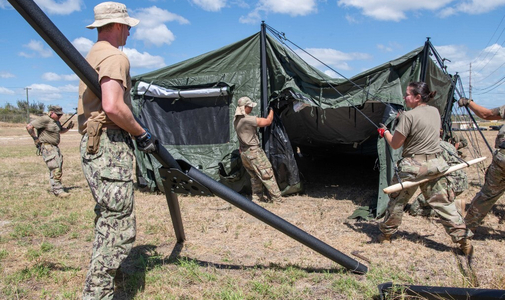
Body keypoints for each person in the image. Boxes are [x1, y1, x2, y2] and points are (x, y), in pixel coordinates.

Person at [77, 2, 155, 299]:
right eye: (129, 27)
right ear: (118, 26)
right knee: (120, 226)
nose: (130, 33)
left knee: (107, 217)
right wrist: (142, 133)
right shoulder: (114, 57)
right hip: (109, 143)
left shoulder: (93, 54)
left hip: (95, 143)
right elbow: (112, 106)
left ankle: (106, 278)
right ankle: (97, 293)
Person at [377, 81, 473, 255]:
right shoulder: (434, 111)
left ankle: (386, 235)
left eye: (407, 94)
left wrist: (385, 133)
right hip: (435, 165)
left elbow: (396, 144)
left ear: (417, 97)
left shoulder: (408, 116)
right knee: (444, 204)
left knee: (397, 202)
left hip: (413, 168)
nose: (405, 97)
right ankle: (463, 240)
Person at [458, 97, 505, 233]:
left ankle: (465, 231)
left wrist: (469, 103)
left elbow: (486, 114)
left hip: (502, 157)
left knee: (487, 196)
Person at [233, 96, 283, 203]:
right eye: (250, 107)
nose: (251, 109)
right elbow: (268, 121)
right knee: (267, 173)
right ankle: (277, 199)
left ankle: (257, 198)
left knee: (254, 176)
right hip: (253, 152)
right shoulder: (247, 120)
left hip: (244, 153)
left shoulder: (236, 120)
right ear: (245, 107)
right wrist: (272, 110)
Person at [408, 140, 468, 217]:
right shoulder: (447, 145)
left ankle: (456, 208)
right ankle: (449, 205)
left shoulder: (431, 148)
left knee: (414, 210)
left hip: (448, 183)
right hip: (461, 181)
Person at [26, 105, 73, 198]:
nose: (60, 117)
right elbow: (29, 126)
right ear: (51, 113)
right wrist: (35, 138)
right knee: (55, 167)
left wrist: (67, 128)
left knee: (57, 166)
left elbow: (59, 131)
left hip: (55, 147)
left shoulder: (56, 122)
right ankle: (58, 190)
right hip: (47, 147)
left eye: (61, 115)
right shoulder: (44, 119)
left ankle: (55, 188)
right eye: (58, 115)